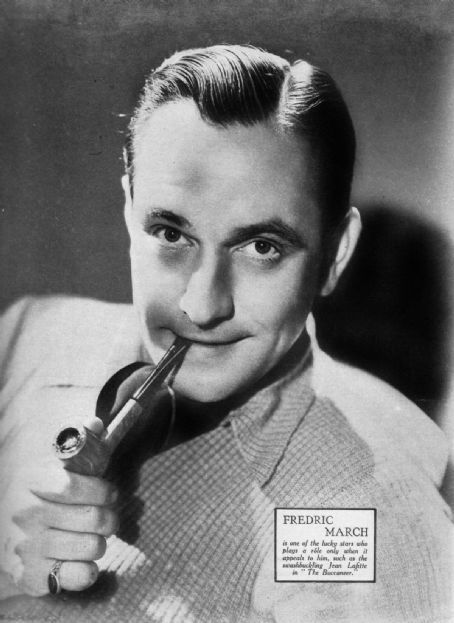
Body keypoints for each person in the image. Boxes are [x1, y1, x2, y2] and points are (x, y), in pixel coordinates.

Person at [0, 44, 451, 623]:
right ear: (129, 210)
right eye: (170, 234)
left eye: (262, 247)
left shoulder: (367, 518)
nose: (202, 306)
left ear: (335, 254)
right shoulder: (29, 333)